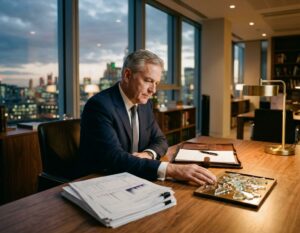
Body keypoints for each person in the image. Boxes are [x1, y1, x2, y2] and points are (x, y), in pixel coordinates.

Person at [80, 49, 216, 185]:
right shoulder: (99, 106)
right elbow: (115, 159)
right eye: (148, 81)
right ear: (127, 75)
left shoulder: (145, 104)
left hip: (135, 177)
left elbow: (160, 140)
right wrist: (171, 169)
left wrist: (148, 154)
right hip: (100, 180)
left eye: (156, 83)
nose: (153, 90)